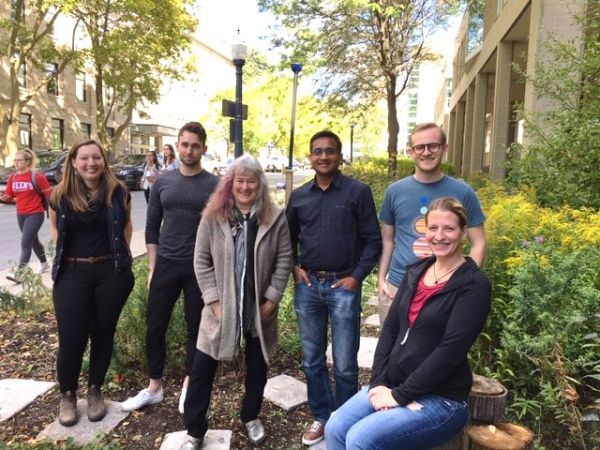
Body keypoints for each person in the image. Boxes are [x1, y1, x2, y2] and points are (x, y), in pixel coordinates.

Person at [325, 197, 492, 450]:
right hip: (393, 382)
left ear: (463, 232)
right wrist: (379, 381)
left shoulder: (474, 285)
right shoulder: (416, 271)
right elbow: (390, 329)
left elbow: (450, 351)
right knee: (335, 428)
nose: (440, 235)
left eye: (448, 228)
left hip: (441, 398)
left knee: (360, 439)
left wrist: (398, 396)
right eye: (433, 228)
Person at [178, 155, 293, 450]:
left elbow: (283, 260)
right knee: (202, 367)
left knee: (257, 367)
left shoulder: (274, 216)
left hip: (257, 308)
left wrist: (272, 299)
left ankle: (251, 415)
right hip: (220, 308)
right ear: (230, 184)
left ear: (260, 184)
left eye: (251, 181)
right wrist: (213, 300)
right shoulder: (213, 215)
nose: (245, 186)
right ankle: (195, 430)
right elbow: (201, 260)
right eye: (239, 180)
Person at [286, 130, 382, 446]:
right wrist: (296, 267)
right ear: (310, 157)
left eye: (330, 151)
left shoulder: (357, 192)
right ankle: (322, 416)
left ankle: (343, 418)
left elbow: (373, 240)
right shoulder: (299, 196)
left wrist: (357, 276)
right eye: (317, 151)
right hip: (309, 286)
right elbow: (287, 239)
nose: (323, 156)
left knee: (344, 361)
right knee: (312, 358)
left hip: (344, 285)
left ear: (340, 156)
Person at [122, 122, 218, 414]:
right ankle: (154, 387)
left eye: (195, 145)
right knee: (155, 327)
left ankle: (189, 385)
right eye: (185, 144)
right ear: (178, 145)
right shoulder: (163, 182)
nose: (189, 150)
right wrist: (152, 267)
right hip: (165, 265)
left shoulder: (214, 185)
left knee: (194, 329)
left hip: (199, 269)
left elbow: (221, 230)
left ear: (203, 148)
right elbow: (152, 228)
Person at [48, 140, 135, 426]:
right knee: (71, 339)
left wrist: (121, 256)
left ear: (103, 160)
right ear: (73, 162)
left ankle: (95, 389)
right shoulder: (59, 195)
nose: (91, 163)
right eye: (84, 158)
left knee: (103, 333)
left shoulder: (118, 191)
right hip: (72, 274)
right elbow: (53, 228)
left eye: (96, 157)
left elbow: (126, 226)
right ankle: (68, 395)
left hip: (110, 274)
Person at [377, 122, 486, 324]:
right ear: (411, 152)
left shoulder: (464, 192)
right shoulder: (394, 192)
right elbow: (387, 241)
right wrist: (381, 279)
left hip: (444, 289)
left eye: (433, 146)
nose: (426, 152)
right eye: (419, 147)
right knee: (391, 351)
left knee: (436, 352)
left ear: (444, 148)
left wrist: (463, 282)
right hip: (397, 287)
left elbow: (478, 242)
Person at [1, 149, 51, 282]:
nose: (15, 163)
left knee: (26, 242)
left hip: (36, 213)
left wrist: (56, 212)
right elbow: (10, 196)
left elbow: (50, 196)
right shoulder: (13, 177)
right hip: (20, 214)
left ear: (27, 162)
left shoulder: (37, 177)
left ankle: (20, 273)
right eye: (14, 160)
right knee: (33, 240)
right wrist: (4, 198)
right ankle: (44, 263)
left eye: (18, 160)